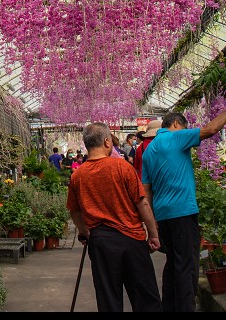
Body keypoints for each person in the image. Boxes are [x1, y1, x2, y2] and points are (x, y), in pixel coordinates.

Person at [141, 102, 226, 312]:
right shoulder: (177, 137)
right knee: (187, 267)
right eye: (185, 127)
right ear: (177, 124)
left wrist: (149, 222)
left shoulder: (149, 150)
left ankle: (169, 307)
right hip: (182, 212)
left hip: (162, 215)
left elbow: (146, 190)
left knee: (173, 264)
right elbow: (211, 129)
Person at [66, 122, 162, 312]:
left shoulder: (78, 176)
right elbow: (142, 203)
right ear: (107, 142)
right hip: (131, 239)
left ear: (87, 145)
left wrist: (84, 231)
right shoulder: (122, 167)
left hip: (101, 242)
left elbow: (75, 211)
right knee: (145, 296)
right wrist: (153, 233)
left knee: (109, 298)